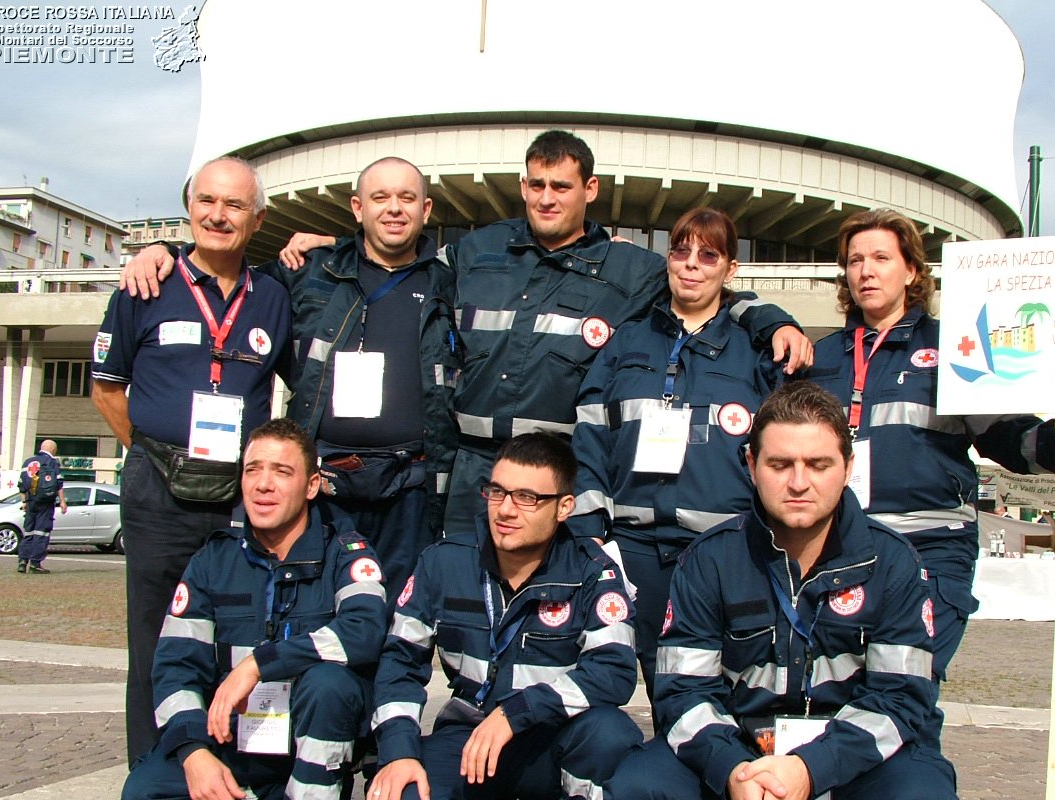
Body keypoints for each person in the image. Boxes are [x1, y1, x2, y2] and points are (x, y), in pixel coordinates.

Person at [281, 129, 812, 536]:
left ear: (590, 189)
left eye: (561, 186)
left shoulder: (629, 270)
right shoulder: (478, 251)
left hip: (557, 469)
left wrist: (771, 319)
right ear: (523, 187)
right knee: (463, 594)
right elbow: (397, 263)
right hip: (474, 467)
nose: (547, 198)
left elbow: (696, 283)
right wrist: (335, 249)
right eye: (537, 185)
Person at [608, 382, 961, 800]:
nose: (799, 481)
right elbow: (679, 692)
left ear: (847, 466)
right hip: (742, 763)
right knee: (638, 791)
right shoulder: (710, 559)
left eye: (818, 463)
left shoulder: (895, 563)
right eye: (780, 463)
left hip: (850, 767)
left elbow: (902, 701)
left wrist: (806, 769)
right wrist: (733, 771)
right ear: (751, 465)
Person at [119, 157, 461, 602]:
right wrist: (163, 248)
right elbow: (222, 272)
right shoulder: (309, 271)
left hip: (410, 491)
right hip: (324, 486)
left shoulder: (451, 284)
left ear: (427, 210)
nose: (393, 209)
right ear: (357, 207)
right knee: (313, 612)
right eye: (380, 197)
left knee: (400, 624)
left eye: (406, 198)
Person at [92, 156, 293, 800]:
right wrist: (160, 456)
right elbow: (108, 388)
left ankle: (247, 793)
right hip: (158, 494)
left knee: (242, 641)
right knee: (154, 646)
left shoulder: (273, 295)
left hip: (239, 499)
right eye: (206, 201)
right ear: (188, 209)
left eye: (234, 205)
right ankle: (161, 797)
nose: (218, 215)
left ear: (257, 219)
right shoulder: (146, 283)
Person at [367, 432, 641, 800]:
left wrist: (517, 712)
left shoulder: (594, 574)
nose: (506, 510)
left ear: (564, 508)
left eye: (527, 497)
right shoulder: (443, 562)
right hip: (472, 740)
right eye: (497, 491)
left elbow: (614, 671)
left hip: (551, 742)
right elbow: (400, 664)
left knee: (612, 737)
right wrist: (400, 752)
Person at [119, 418, 390, 800]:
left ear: (311, 486)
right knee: (146, 795)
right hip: (237, 742)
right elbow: (175, 664)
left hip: (310, 736)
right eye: (253, 470)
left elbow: (365, 630)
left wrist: (260, 665)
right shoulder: (212, 559)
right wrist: (193, 750)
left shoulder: (346, 553)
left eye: (282, 471)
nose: (263, 484)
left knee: (330, 683)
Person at [808, 209, 1055, 683]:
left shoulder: (954, 347)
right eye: (855, 260)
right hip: (839, 549)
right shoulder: (821, 356)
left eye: (881, 257)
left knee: (907, 685)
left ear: (912, 270)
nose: (867, 271)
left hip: (929, 553)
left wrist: (1054, 440)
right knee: (838, 688)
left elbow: (1005, 434)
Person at [570, 208, 785, 695]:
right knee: (659, 681)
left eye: (708, 255)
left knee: (728, 684)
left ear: (731, 269)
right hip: (636, 548)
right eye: (680, 251)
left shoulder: (755, 350)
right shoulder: (628, 339)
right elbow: (589, 435)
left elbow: (783, 447)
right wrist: (592, 533)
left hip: (724, 548)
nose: (691, 264)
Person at [16, 439, 67, 573]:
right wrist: (62, 501)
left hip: (30, 501)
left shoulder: (28, 462)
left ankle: (22, 562)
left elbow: (21, 485)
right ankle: (35, 564)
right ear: (53, 450)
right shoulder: (52, 462)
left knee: (28, 532)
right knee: (42, 532)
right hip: (46, 502)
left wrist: (24, 502)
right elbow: (59, 484)